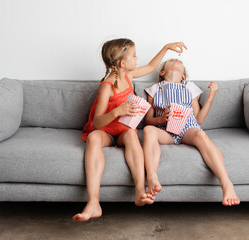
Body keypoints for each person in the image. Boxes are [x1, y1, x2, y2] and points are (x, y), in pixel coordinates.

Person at [73, 39, 187, 222]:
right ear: (121, 63)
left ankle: (140, 191)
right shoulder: (107, 87)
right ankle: (93, 202)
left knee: (131, 136)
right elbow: (98, 121)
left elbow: (151, 66)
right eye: (134, 55)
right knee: (94, 137)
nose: (137, 58)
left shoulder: (129, 76)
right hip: (106, 130)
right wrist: (117, 111)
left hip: (124, 129)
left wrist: (166, 47)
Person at [143, 58, 240, 206]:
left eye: (180, 62)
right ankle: (152, 177)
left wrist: (211, 97)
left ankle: (226, 184)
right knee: (148, 130)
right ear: (162, 72)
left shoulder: (189, 87)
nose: (176, 60)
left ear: (183, 76)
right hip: (165, 130)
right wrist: (161, 119)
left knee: (201, 134)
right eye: (171, 60)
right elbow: (148, 120)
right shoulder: (155, 89)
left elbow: (199, 119)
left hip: (188, 127)